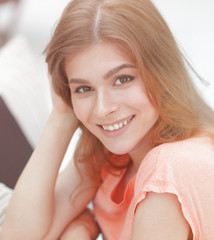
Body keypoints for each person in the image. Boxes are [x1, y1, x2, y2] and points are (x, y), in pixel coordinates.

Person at [1, 0, 214, 239]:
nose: (103, 109)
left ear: (161, 71)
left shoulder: (170, 169)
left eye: (122, 79)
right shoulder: (110, 153)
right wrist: (61, 118)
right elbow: (16, 235)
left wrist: (76, 233)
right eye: (84, 88)